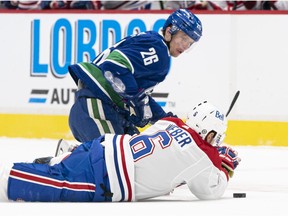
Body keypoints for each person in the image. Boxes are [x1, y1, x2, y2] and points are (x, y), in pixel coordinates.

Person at [0, 101, 241, 202]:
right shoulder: (203, 157)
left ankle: (61, 157)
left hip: (106, 145)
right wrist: (225, 163)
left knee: (60, 169)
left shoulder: (171, 123)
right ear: (210, 135)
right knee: (56, 185)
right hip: (108, 177)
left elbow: (168, 157)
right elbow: (209, 191)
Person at [67, 9, 203, 143]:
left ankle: (71, 154)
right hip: (97, 107)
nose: (185, 45)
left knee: (135, 156)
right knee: (111, 158)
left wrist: (166, 120)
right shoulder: (158, 48)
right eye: (183, 38)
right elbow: (114, 66)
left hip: (105, 110)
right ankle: (55, 164)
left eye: (190, 43)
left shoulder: (153, 43)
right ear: (169, 31)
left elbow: (137, 93)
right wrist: (137, 101)